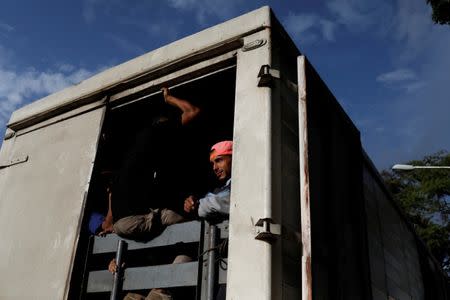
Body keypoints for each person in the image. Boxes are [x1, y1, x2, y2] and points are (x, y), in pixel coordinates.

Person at [109, 140, 233, 300]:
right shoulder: (217, 190)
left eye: (219, 160)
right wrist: (117, 258)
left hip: (218, 261)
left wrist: (196, 206)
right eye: (212, 163)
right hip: (198, 259)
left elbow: (219, 202)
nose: (214, 168)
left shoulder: (237, 185)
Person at [104, 87, 204, 240]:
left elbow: (110, 207)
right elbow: (192, 111)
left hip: (120, 226)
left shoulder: (132, 158)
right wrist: (169, 98)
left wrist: (110, 226)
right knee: (194, 216)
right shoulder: (159, 132)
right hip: (136, 221)